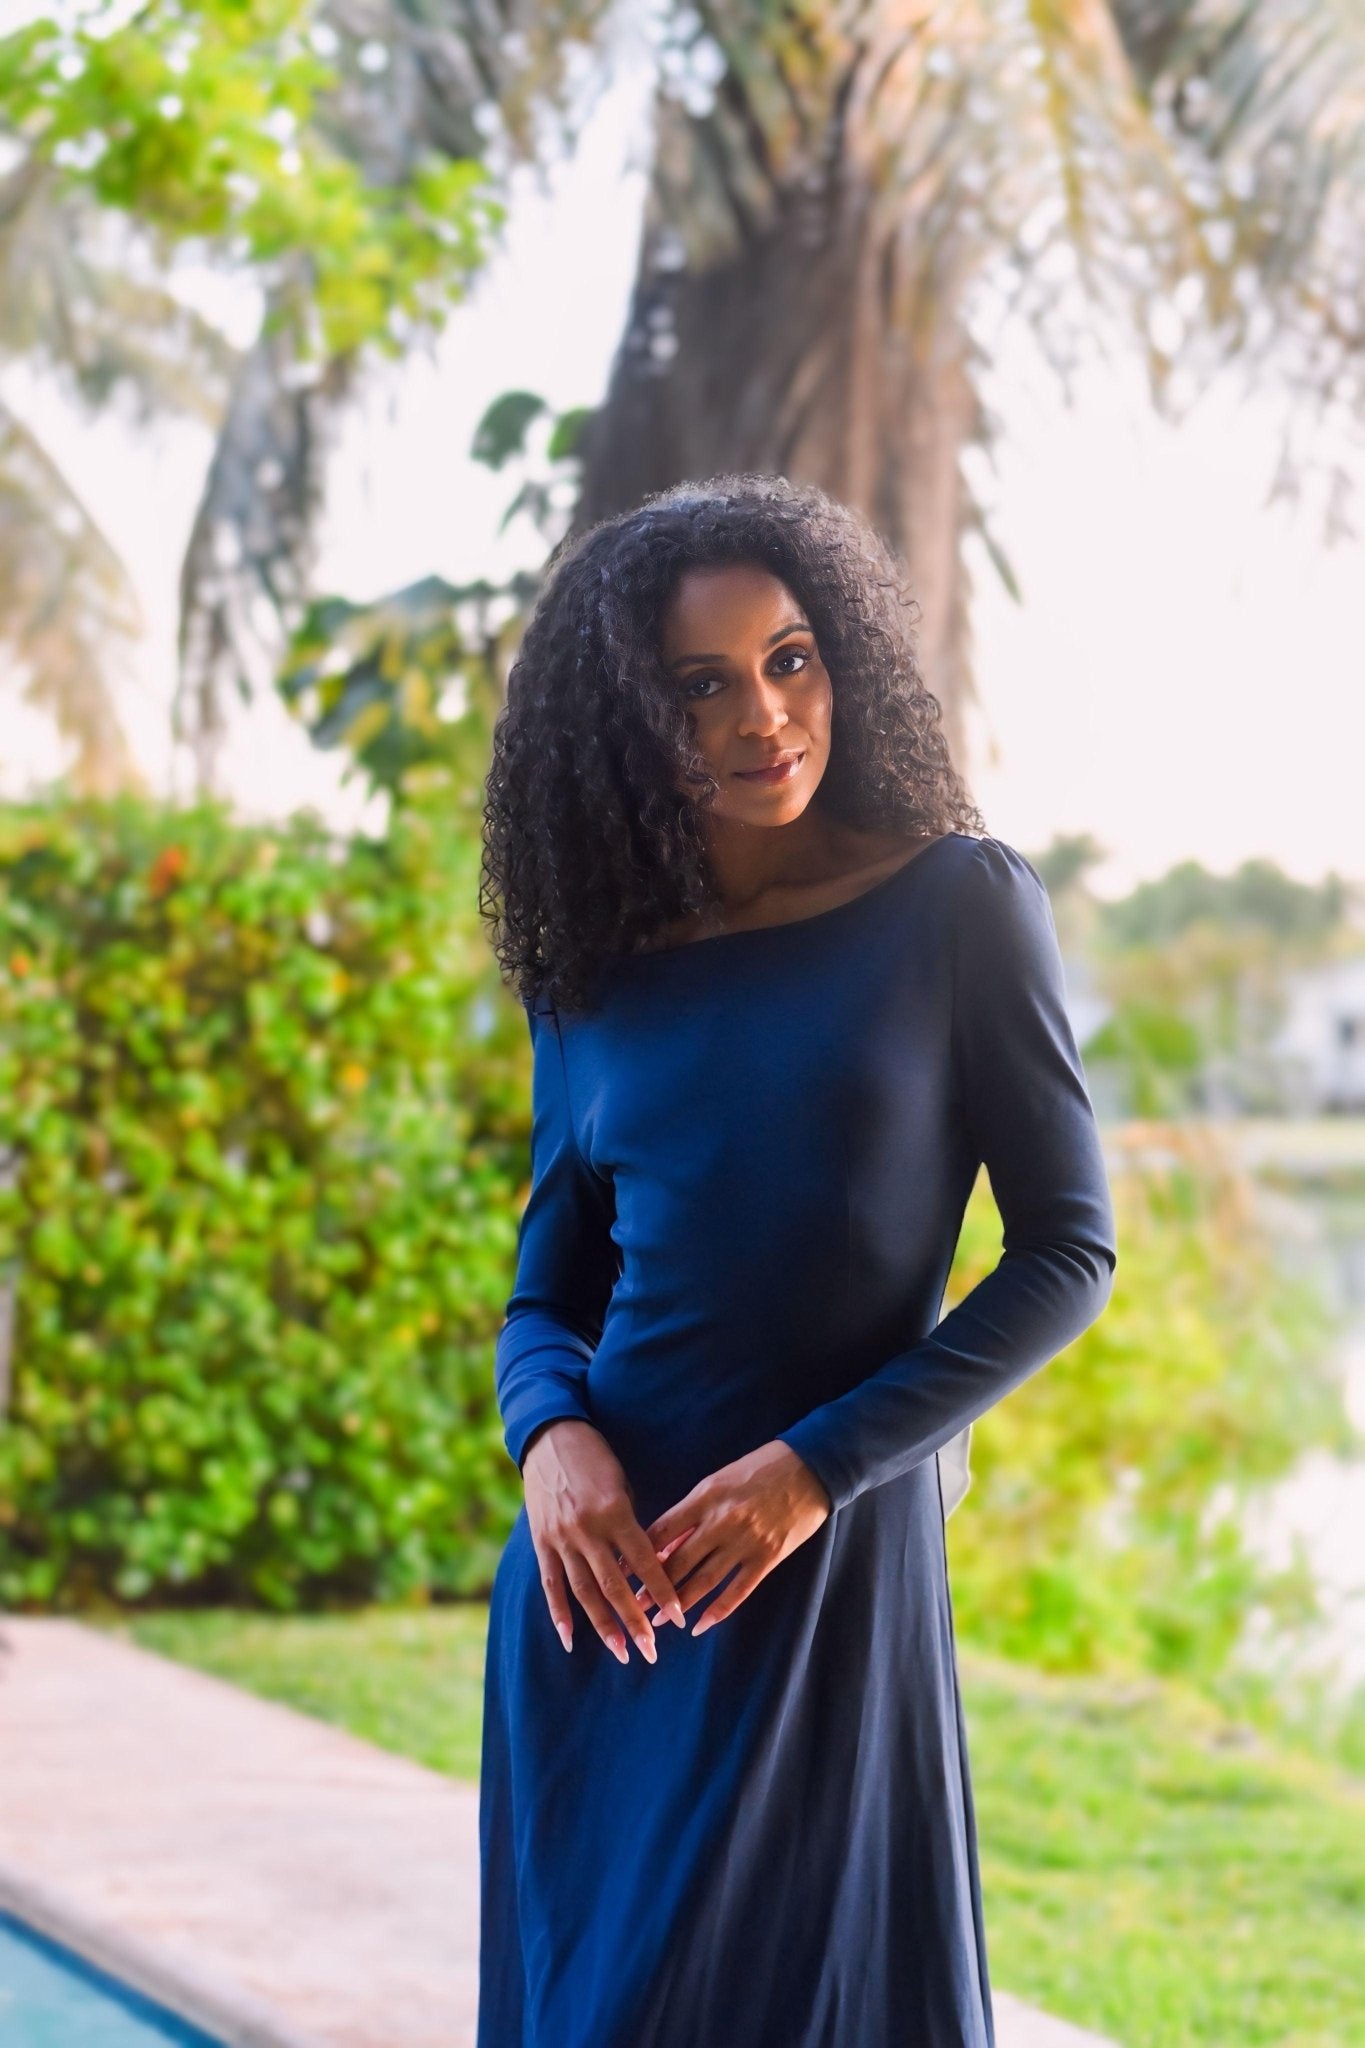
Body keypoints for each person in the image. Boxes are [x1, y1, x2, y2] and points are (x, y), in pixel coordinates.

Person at [476, 473, 1117, 2048]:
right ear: (626, 720)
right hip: (600, 1605)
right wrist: (548, 1442)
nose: (763, 713)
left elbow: (1064, 1253)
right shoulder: (594, 976)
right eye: (700, 684)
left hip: (821, 1562)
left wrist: (814, 1470)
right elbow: (545, 1292)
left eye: (790, 656)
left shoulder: (958, 904)